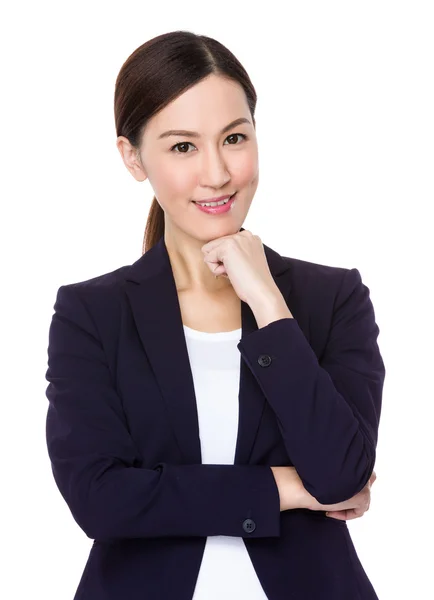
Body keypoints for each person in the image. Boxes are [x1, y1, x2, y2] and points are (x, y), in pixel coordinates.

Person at [44, 30, 385, 600]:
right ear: (133, 158)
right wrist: (282, 487)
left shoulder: (333, 297)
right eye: (183, 147)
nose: (218, 173)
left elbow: (342, 476)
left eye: (233, 137)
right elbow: (100, 501)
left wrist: (270, 305)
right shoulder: (92, 313)